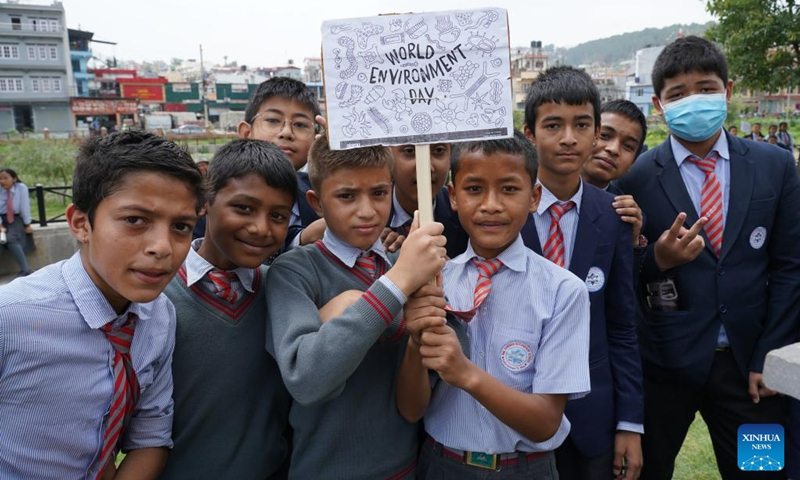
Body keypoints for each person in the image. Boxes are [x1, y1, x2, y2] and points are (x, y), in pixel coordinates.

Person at [616, 35, 800, 480]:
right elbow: (623, 277)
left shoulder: (774, 164)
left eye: (706, 88)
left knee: (765, 471)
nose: (693, 101)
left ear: (729, 92)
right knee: (646, 472)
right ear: (660, 105)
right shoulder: (635, 178)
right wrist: (657, 259)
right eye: (678, 94)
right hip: (664, 367)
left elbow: (791, 267)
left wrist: (770, 358)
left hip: (750, 370)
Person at [0, 131, 205, 479]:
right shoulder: (12, 318)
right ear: (81, 223)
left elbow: (150, 435)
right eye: (135, 220)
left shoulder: (158, 315)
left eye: (181, 226)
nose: (162, 247)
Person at [397, 131, 591, 480]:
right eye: (474, 189)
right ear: (453, 197)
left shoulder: (563, 291)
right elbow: (411, 410)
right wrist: (415, 342)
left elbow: (546, 423)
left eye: (509, 189)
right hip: (443, 465)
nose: (490, 204)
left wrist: (465, 373)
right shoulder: (433, 283)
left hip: (526, 470)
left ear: (534, 197)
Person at [265, 137, 447, 480]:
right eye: (346, 196)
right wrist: (396, 285)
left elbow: (422, 396)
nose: (366, 211)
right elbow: (306, 379)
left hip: (402, 467)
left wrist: (422, 327)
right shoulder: (294, 272)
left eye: (378, 193)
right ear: (316, 202)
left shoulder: (408, 265)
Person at [521, 68, 643, 480]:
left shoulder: (612, 218)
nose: (569, 138)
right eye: (553, 125)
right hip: (514, 413)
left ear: (595, 134)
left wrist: (630, 421)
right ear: (529, 134)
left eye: (582, 125)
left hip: (592, 416)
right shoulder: (499, 212)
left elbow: (622, 325)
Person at [159, 139, 295, 480]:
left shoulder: (284, 291)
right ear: (206, 202)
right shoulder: (157, 295)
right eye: (244, 208)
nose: (261, 228)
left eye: (277, 216)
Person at [238, 77, 325, 250]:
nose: (286, 132)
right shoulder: (212, 198)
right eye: (272, 120)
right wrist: (302, 239)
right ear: (246, 132)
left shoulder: (322, 196)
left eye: (300, 124)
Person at [383, 143, 469, 257]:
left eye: (438, 150)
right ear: (388, 156)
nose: (426, 168)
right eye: (409, 151)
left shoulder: (465, 216)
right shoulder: (369, 218)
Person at [0, 168, 33, 277]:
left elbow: (25, 206)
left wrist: (27, 224)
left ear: (14, 179)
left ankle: (25, 269)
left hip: (15, 219)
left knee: (10, 238)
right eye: (0, 179)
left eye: (6, 178)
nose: (2, 181)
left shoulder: (21, 188)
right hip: (1, 218)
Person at [191, 156, 210, 241]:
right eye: (199, 165)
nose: (202, 168)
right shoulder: (193, 183)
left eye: (204, 165)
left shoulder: (215, 179)